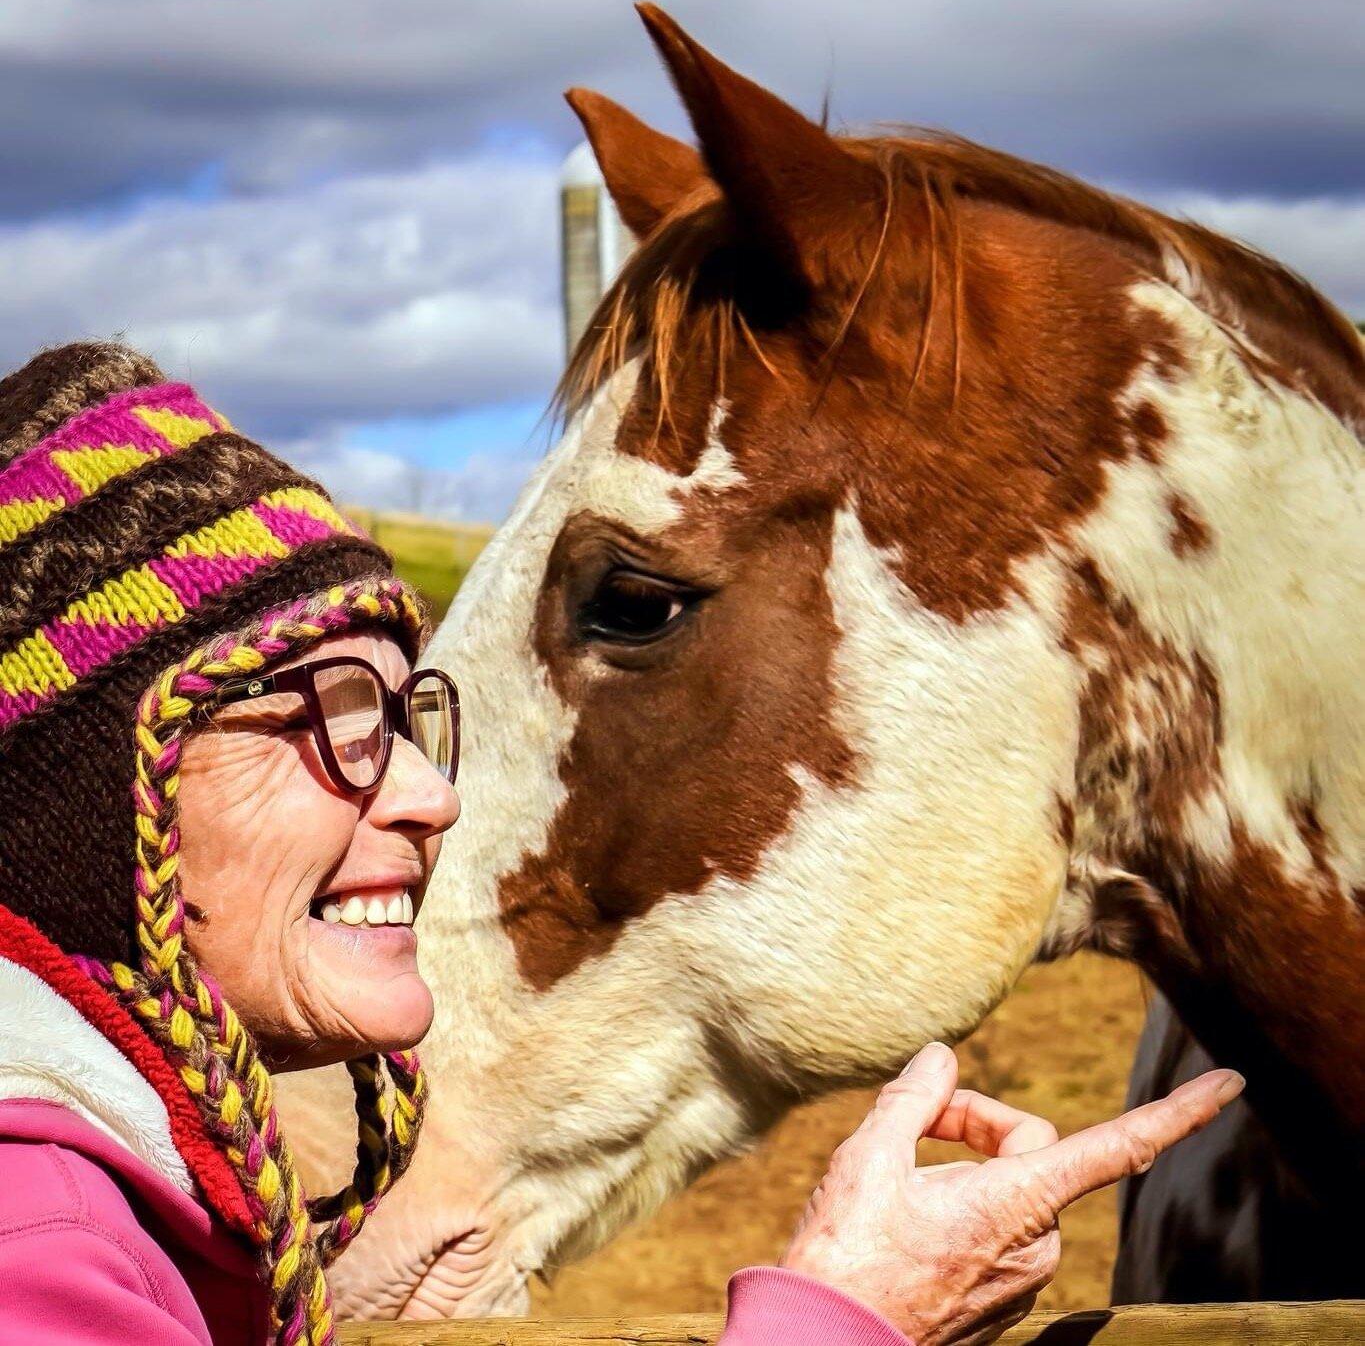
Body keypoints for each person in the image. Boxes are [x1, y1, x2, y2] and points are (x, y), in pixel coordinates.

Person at [0, 343, 1241, 1346]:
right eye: (315, 723)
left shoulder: (138, 1201)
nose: (433, 799)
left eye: (400, 715)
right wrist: (846, 1321)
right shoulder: (37, 1247)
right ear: (88, 804)